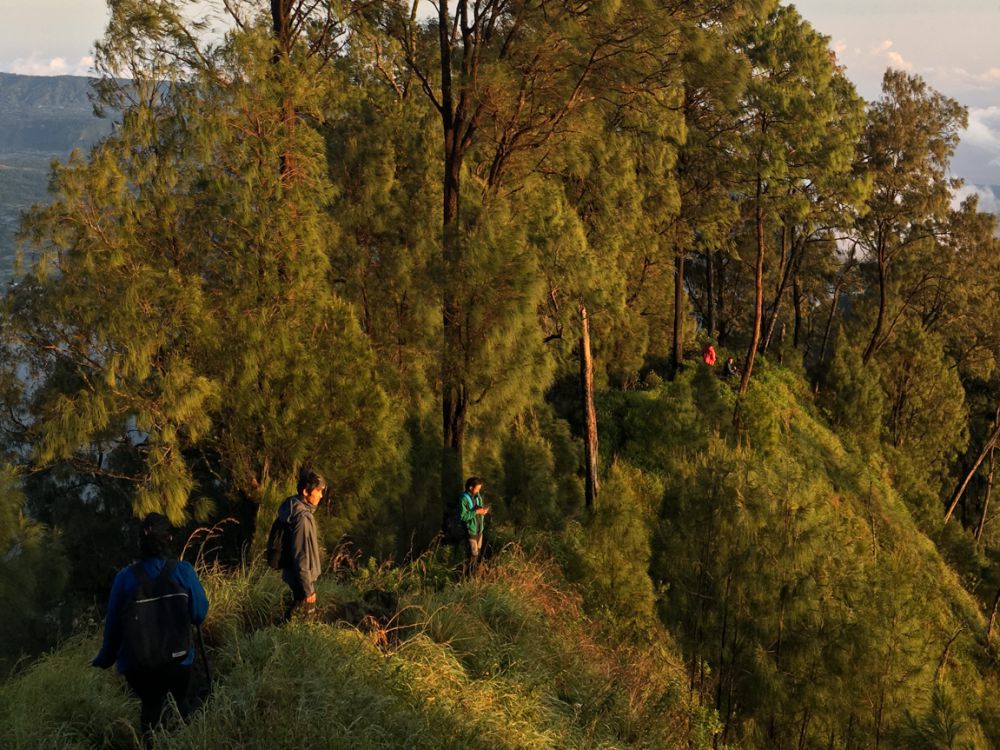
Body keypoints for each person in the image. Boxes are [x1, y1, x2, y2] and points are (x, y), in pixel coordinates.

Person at [92, 513, 208, 741]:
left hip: (139, 667)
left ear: (140, 543)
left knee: (150, 706)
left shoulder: (124, 578)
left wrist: (104, 659)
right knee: (181, 700)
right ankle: (187, 733)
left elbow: (113, 627)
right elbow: (199, 614)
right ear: (170, 539)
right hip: (178, 661)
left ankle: (150, 739)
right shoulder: (182, 571)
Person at [277, 468, 326, 621]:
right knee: (303, 626)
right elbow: (301, 556)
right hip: (302, 582)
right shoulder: (302, 518)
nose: (321, 495)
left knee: (293, 619)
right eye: (318, 490)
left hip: (294, 577)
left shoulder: (292, 508)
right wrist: (309, 590)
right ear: (306, 491)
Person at [460, 476, 490, 576]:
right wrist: (476, 512)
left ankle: (477, 576)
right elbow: (463, 516)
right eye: (477, 489)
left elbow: (479, 509)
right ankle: (468, 577)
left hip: (479, 529)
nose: (478, 491)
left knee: (479, 553)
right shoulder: (463, 499)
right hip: (471, 531)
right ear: (470, 488)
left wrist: (483, 511)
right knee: (473, 555)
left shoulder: (478, 496)